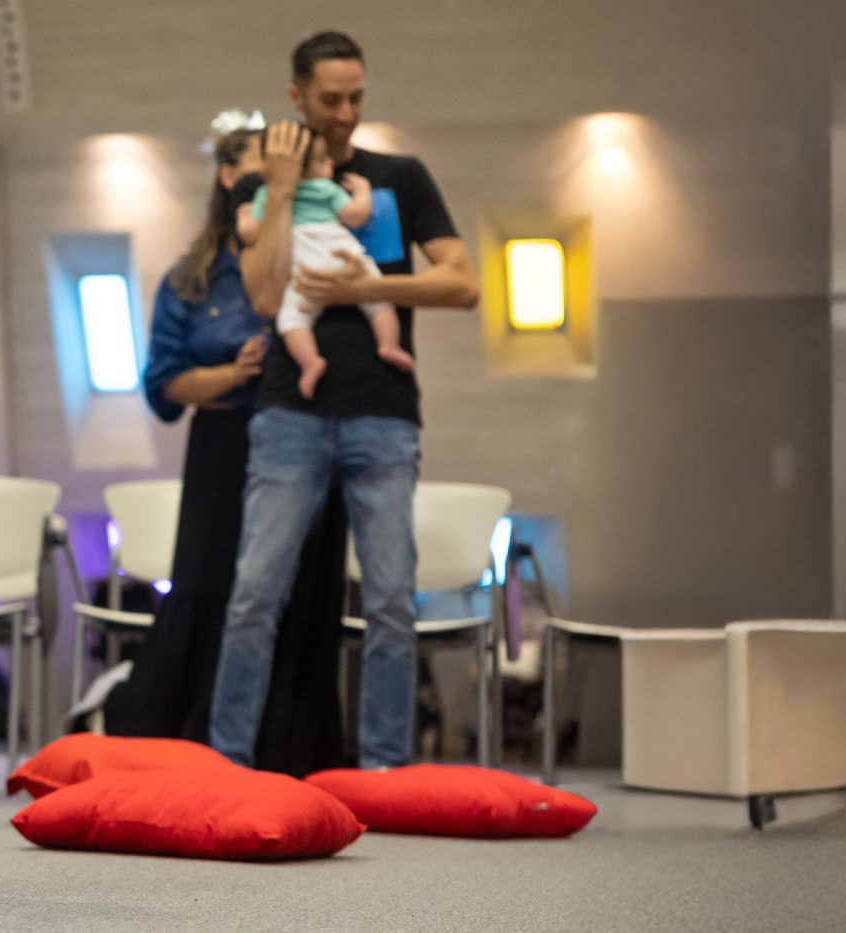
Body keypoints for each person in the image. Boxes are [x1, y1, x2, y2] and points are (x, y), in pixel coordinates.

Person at [209, 31, 479, 771]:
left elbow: (463, 283)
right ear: (295, 98)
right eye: (329, 99)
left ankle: (384, 768)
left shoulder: (397, 175)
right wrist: (287, 185)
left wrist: (368, 288)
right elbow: (266, 294)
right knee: (254, 594)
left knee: (391, 598)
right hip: (288, 417)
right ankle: (228, 764)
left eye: (356, 96)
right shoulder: (260, 184)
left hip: (383, 413)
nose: (345, 112)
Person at [101, 124, 350, 778]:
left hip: (306, 436)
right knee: (213, 588)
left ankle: (295, 746)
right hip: (225, 445)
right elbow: (163, 387)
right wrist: (233, 377)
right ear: (229, 177)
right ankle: (206, 739)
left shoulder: (314, 250)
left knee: (300, 593)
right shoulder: (193, 278)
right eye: (264, 167)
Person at [241, 127, 411, 398]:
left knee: (291, 319)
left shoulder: (265, 194)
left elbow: (251, 232)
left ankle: (310, 363)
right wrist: (363, 192)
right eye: (322, 160)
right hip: (342, 254)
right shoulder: (325, 188)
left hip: (304, 268)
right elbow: (356, 216)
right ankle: (389, 345)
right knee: (379, 300)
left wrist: (246, 214)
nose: (331, 164)